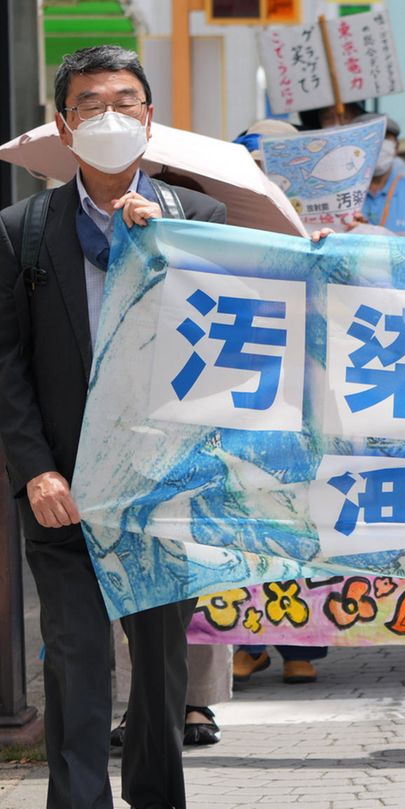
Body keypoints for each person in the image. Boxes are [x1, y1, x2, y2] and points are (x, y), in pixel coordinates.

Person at [0, 44, 225, 809]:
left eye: (125, 101)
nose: (109, 116)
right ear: (64, 127)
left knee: (160, 674)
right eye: (90, 105)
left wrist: (160, 247)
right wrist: (34, 468)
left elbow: (230, 353)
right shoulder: (21, 231)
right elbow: (7, 365)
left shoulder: (200, 221)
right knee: (76, 661)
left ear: (150, 118)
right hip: (64, 491)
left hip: (163, 492)